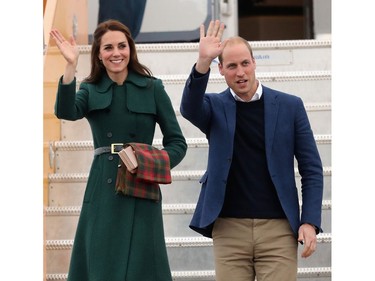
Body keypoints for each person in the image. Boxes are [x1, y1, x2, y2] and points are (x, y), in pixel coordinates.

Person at [180, 20, 324, 281]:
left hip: (279, 229)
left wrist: (309, 221)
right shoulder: (213, 106)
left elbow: (311, 168)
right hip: (229, 229)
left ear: (254, 63)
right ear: (221, 70)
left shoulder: (290, 106)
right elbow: (188, 108)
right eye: (232, 66)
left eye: (245, 63)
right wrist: (202, 62)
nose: (240, 72)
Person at [50, 19, 187, 281]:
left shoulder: (152, 88)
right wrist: (70, 65)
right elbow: (65, 111)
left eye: (122, 46)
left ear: (131, 49)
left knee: (142, 266)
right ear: (99, 55)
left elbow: (177, 143)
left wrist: (148, 163)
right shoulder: (90, 89)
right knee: (102, 263)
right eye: (108, 48)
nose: (116, 53)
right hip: (103, 187)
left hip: (141, 185)